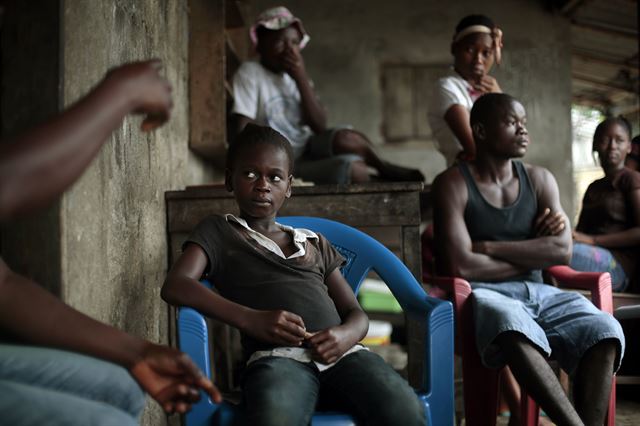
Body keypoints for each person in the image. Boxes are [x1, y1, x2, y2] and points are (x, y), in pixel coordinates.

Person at [0, 60, 221, 425]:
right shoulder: (218, 229)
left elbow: (4, 287)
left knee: (122, 385)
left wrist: (138, 351)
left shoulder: (311, 246)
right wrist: (119, 93)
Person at [161, 123, 426, 426]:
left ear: (288, 187)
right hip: (277, 360)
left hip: (345, 356)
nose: (263, 185)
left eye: (274, 177)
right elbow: (176, 285)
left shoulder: (312, 242)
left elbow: (355, 312)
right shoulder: (220, 232)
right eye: (250, 174)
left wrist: (345, 335)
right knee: (276, 418)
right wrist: (250, 319)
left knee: (404, 410)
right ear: (229, 180)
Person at [432, 93, 624, 426]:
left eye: (524, 123)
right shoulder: (452, 183)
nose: (523, 131)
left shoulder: (539, 180)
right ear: (479, 130)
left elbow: (561, 251)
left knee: (604, 328)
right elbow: (461, 266)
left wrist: (488, 247)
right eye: (511, 123)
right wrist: (533, 250)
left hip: (541, 292)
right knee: (510, 323)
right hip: (484, 294)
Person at [230, 6, 424, 184]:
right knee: (355, 170)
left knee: (347, 139)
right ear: (261, 44)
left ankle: (384, 168)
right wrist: (243, 167)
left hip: (310, 147)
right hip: (281, 158)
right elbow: (243, 126)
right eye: (280, 42)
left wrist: (301, 77)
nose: (290, 49)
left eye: (295, 43)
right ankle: (384, 183)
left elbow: (320, 125)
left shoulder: (297, 77)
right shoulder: (251, 72)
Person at [571, 117, 640, 292]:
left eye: (619, 140)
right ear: (595, 145)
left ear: (629, 147)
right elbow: (580, 234)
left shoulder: (631, 179)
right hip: (588, 255)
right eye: (605, 140)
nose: (612, 146)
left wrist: (593, 241)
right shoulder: (593, 188)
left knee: (556, 251)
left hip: (618, 266)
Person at [427, 14, 503, 166]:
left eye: (486, 53)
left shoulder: (493, 91)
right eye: (469, 49)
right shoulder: (447, 88)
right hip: (466, 178)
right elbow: (475, 149)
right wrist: (499, 105)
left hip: (496, 176)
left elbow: (518, 141)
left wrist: (499, 98)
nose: (478, 59)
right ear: (454, 48)